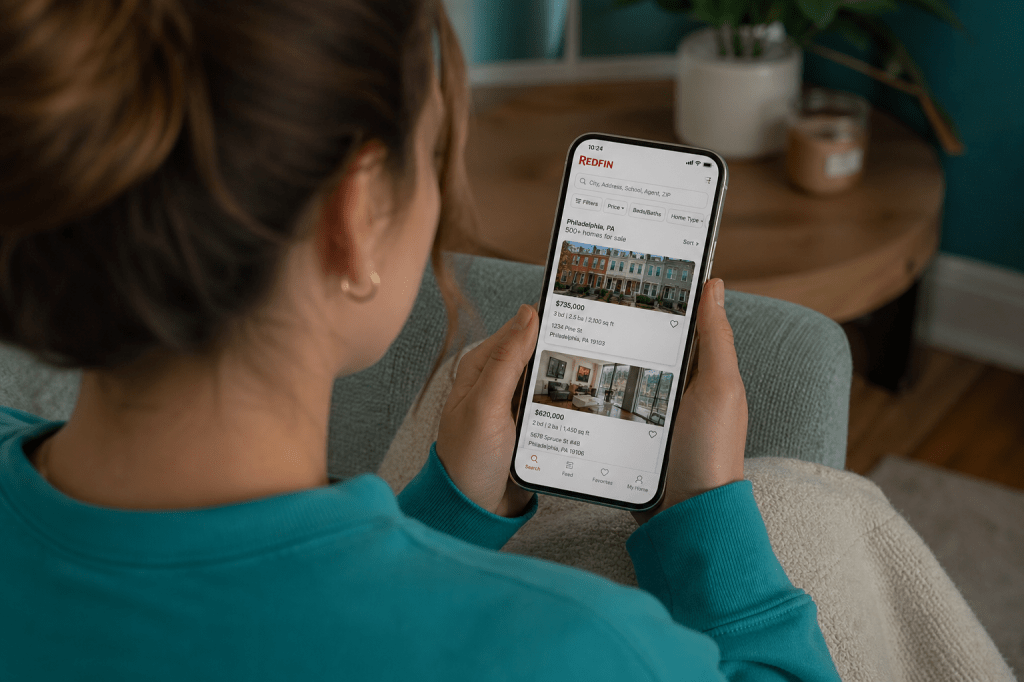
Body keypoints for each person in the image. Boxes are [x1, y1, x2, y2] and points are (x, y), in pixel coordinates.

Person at [0, 0, 840, 679]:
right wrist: (705, 516)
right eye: (436, 153)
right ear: (356, 215)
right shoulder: (581, 648)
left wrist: (447, 517)